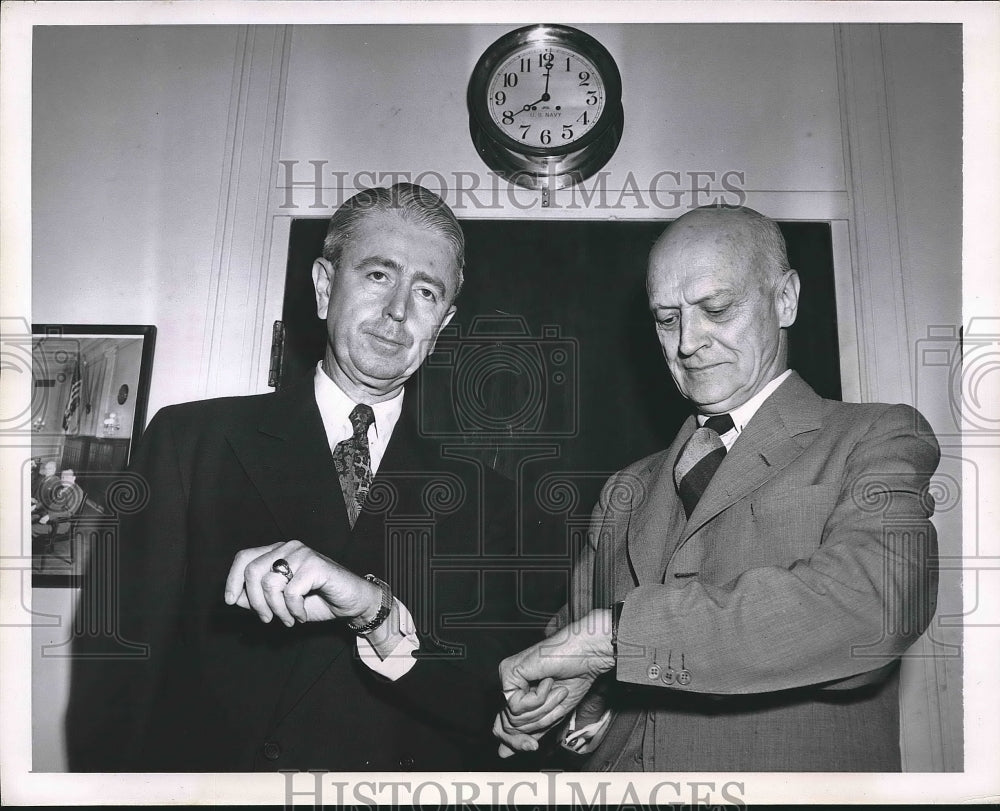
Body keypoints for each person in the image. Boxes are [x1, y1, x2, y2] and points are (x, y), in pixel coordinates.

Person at [67, 183, 523, 772]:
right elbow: (117, 676)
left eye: (427, 292)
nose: (398, 312)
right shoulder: (191, 443)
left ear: (444, 323)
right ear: (325, 286)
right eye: (379, 276)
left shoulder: (488, 500)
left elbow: (493, 709)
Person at [494, 205, 940, 771]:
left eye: (717, 309)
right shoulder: (626, 488)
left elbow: (875, 609)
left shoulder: (874, 436)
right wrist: (559, 713)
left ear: (785, 300)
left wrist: (617, 637)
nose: (687, 343)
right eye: (666, 318)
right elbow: (573, 654)